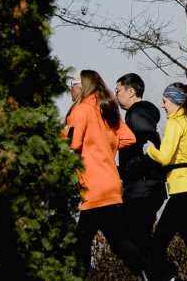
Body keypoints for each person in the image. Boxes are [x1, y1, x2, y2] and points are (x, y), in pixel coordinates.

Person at [64, 69, 150, 280]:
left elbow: (73, 142)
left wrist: (58, 134)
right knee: (116, 240)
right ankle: (145, 275)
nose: (69, 88)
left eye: (72, 84)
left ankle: (146, 275)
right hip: (110, 184)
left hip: (94, 187)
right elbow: (128, 138)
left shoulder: (80, 110)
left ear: (82, 86)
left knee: (84, 242)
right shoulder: (108, 108)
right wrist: (105, 144)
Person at [142, 82, 187, 281]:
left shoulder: (175, 122)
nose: (163, 105)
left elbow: (164, 157)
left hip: (180, 191)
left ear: (175, 102)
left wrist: (148, 149)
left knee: (157, 244)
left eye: (165, 101)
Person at [114, 73, 166, 260]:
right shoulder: (140, 114)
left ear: (131, 91)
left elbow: (151, 150)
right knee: (140, 243)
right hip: (146, 187)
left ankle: (167, 277)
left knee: (136, 243)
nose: (115, 96)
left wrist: (124, 169)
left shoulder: (137, 113)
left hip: (142, 189)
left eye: (118, 91)